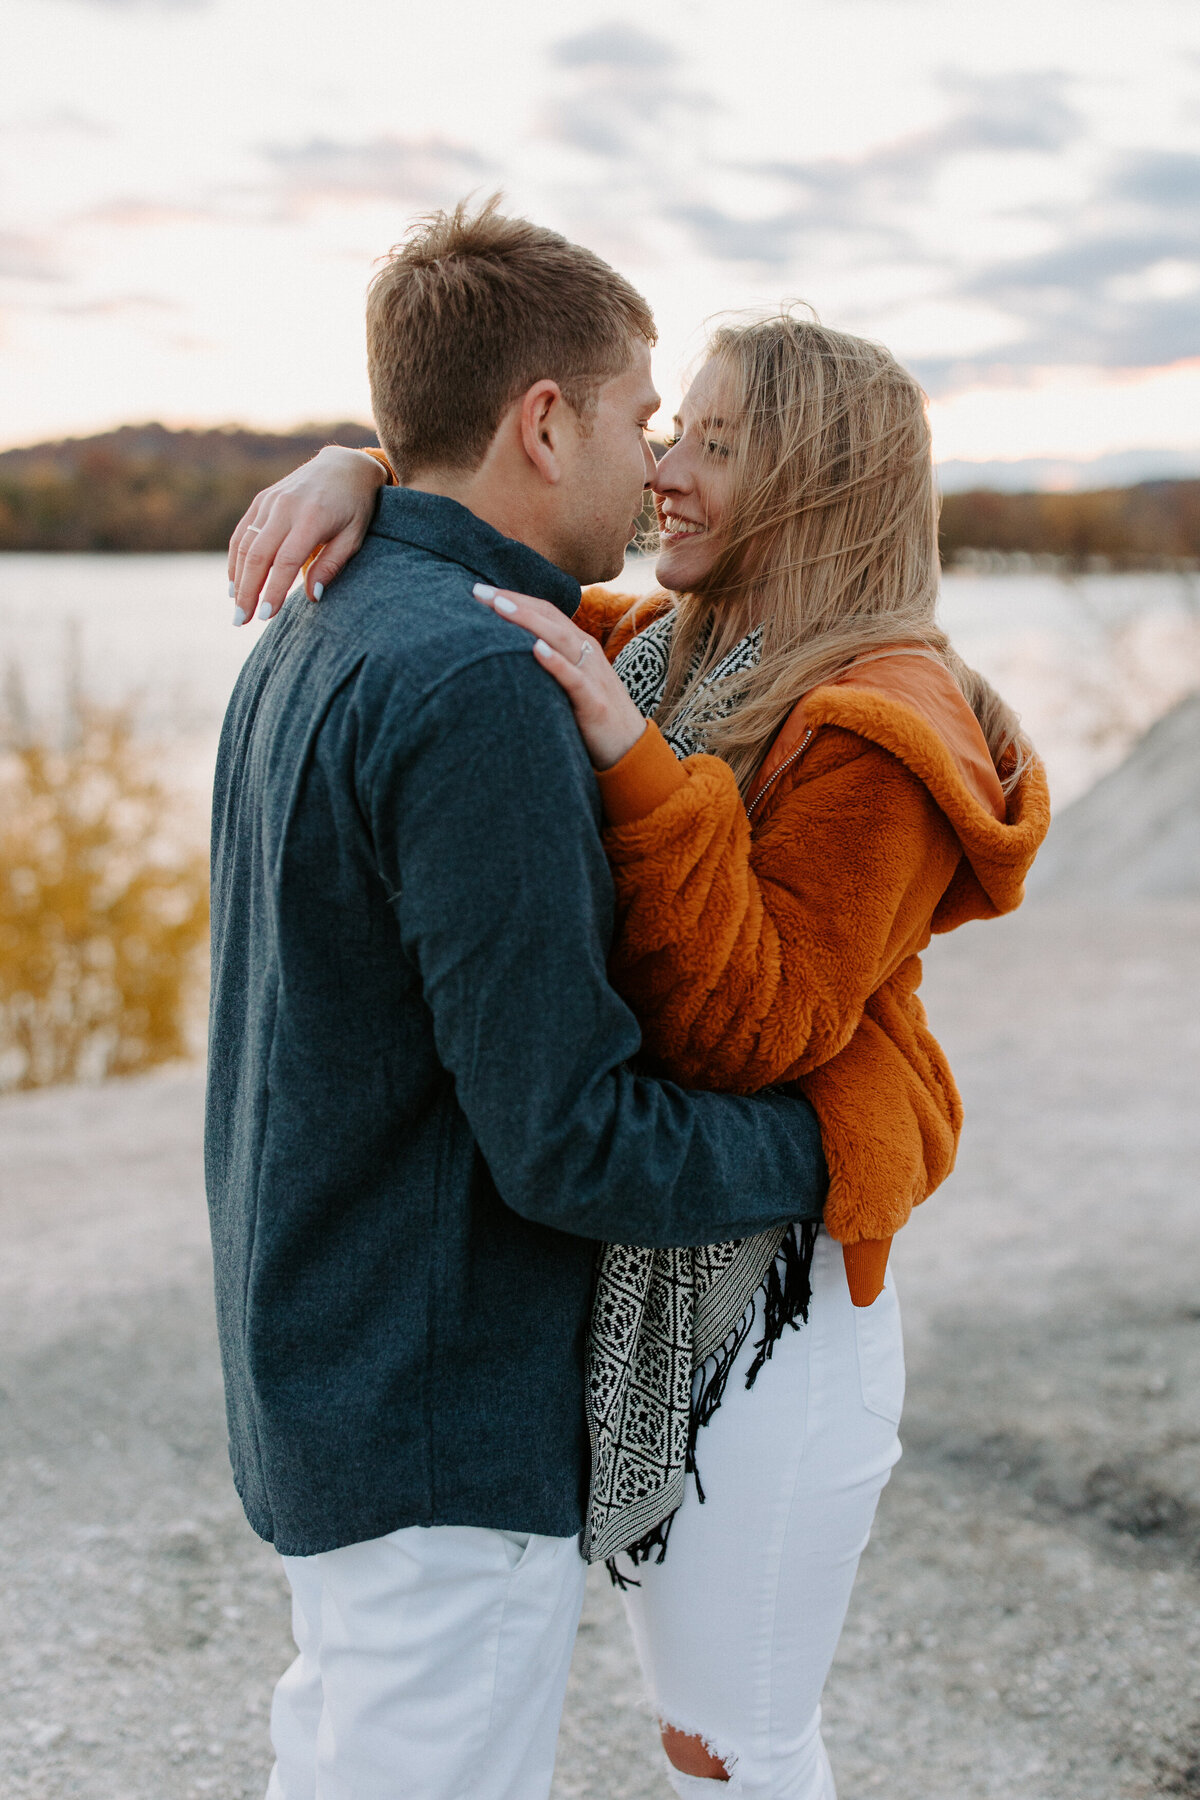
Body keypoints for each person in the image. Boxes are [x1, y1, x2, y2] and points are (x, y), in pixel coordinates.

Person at [233, 297, 1050, 1794]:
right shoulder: (674, 649)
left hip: (775, 1309)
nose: (665, 468)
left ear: (814, 486)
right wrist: (363, 471)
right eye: (668, 430)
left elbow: (756, 1029)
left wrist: (631, 770)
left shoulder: (878, 730)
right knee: (654, 1723)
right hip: (652, 1279)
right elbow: (492, 562)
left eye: (717, 445)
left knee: (726, 1742)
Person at [207, 200, 830, 1800]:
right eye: (639, 419)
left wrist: (359, 462)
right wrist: (807, 1145)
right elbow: (565, 1140)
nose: (654, 463)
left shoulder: (320, 621)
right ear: (543, 424)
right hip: (438, 1414)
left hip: (328, 1373)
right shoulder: (484, 681)